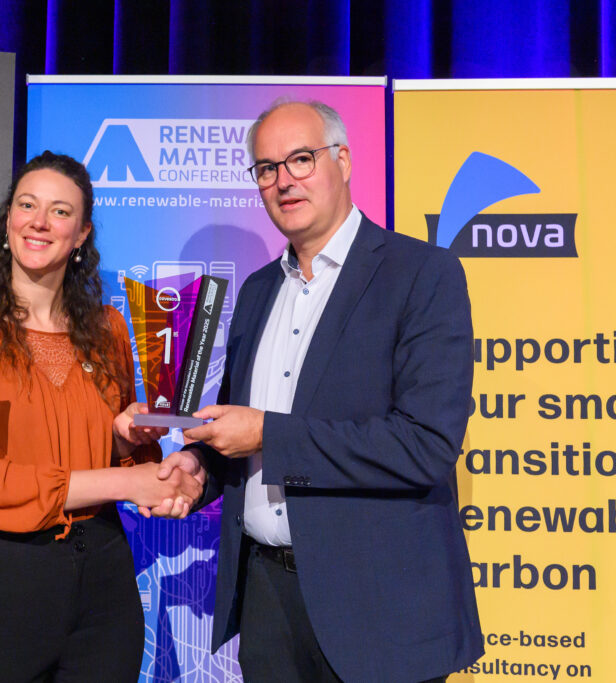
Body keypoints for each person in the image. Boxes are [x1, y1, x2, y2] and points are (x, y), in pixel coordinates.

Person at [160, 99, 484, 682]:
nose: (283, 181)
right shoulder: (258, 290)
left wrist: (266, 433)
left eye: (301, 159)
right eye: (266, 168)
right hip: (267, 604)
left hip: (380, 608)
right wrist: (198, 466)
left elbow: (426, 444)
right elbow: (245, 434)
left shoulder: (422, 274)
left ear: (343, 160)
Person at [0, 150, 202, 682]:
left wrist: (128, 442)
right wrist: (126, 481)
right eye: (27, 205)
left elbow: (115, 459)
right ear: (7, 221)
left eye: (59, 211)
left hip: (104, 577)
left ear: (81, 235)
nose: (40, 221)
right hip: (1, 577)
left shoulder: (110, 329)